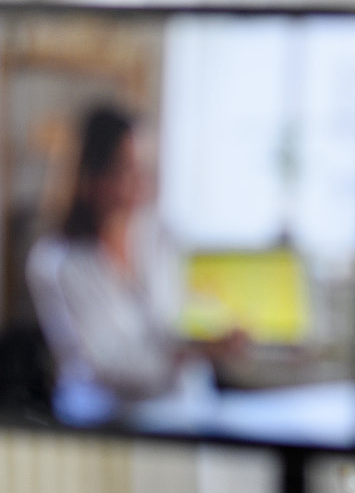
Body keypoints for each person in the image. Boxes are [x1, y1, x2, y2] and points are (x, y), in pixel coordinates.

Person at [27, 105, 233, 415]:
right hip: (105, 419)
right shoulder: (56, 262)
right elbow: (103, 364)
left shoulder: (160, 235)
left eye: (146, 169)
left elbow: (182, 316)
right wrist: (191, 354)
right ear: (91, 175)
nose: (142, 183)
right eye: (127, 169)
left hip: (183, 411)